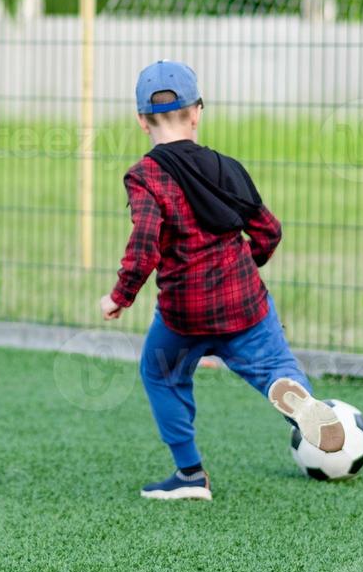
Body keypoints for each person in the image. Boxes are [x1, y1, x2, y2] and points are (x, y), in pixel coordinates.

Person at [99, 60, 342, 501]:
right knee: (274, 363)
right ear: (197, 112)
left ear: (140, 121)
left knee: (160, 373)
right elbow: (269, 230)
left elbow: (145, 244)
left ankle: (190, 474)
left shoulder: (145, 176)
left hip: (183, 314)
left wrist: (121, 296)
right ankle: (291, 394)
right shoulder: (227, 168)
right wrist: (245, 264)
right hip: (243, 304)